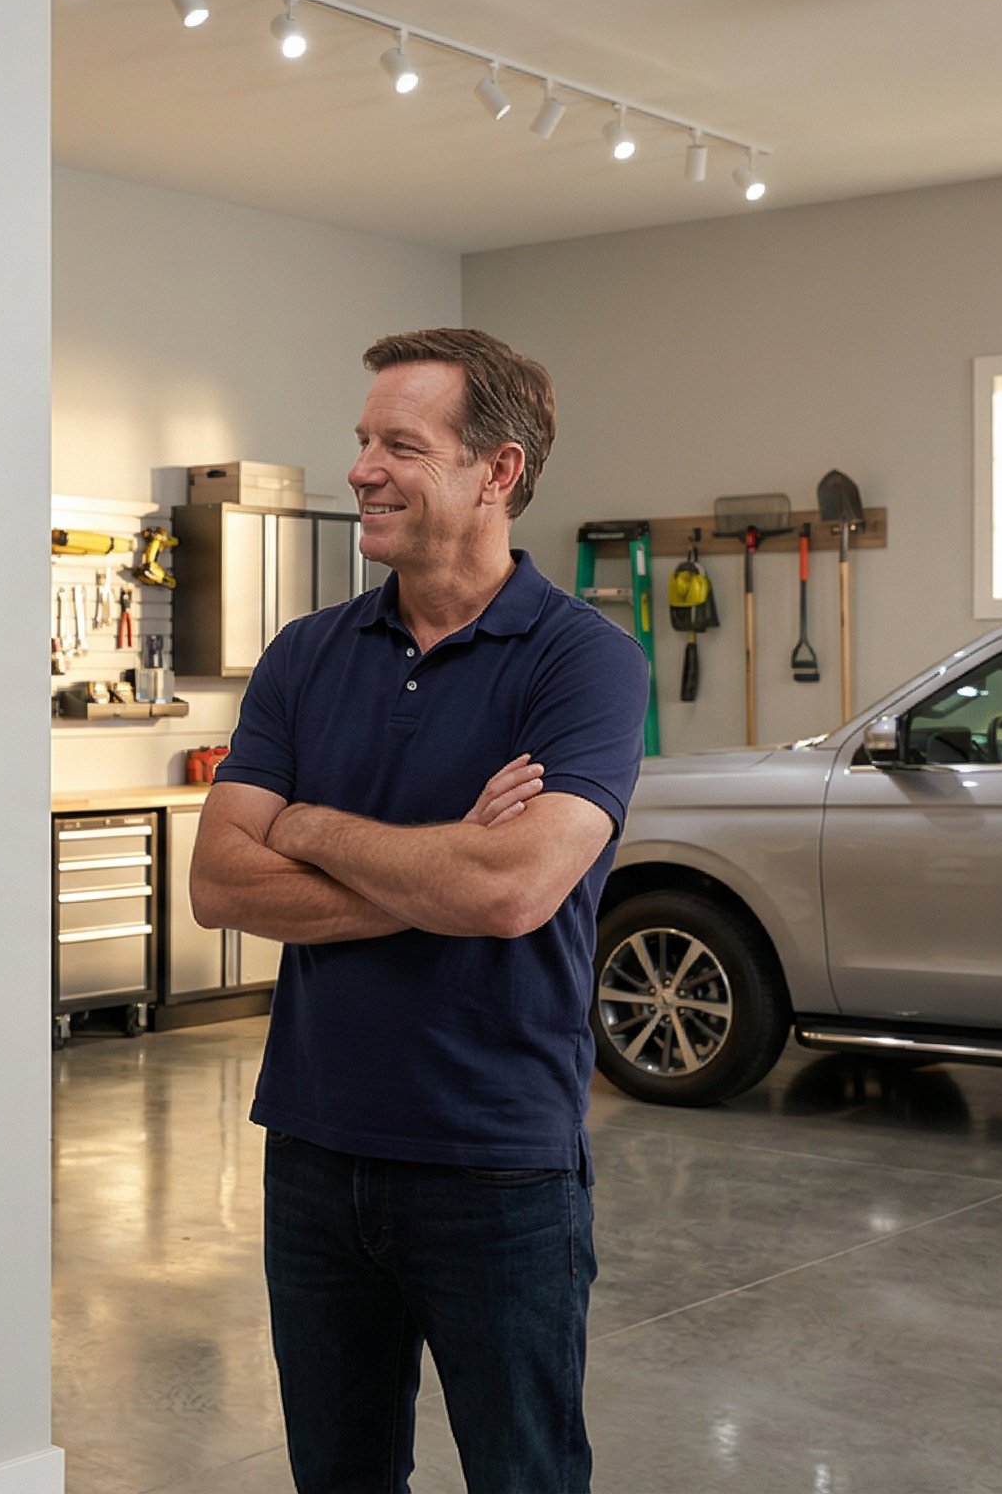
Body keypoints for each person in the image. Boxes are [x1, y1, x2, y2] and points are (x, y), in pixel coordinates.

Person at [188, 328, 649, 1494]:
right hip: (311, 1144)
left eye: (400, 443)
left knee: (523, 1476)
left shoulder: (583, 661)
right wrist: (435, 864)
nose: (360, 469)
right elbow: (218, 883)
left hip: (493, 1164)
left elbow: (507, 892)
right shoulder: (304, 655)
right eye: (360, 441)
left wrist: (305, 824)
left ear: (496, 472)